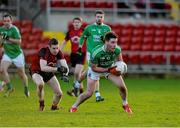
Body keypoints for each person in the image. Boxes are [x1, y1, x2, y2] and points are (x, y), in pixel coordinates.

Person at [69, 32, 132, 114]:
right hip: (96, 70)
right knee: (89, 93)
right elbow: (94, 68)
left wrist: (120, 69)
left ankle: (125, 104)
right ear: (106, 42)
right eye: (112, 42)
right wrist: (108, 69)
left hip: (110, 68)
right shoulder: (96, 53)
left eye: (116, 42)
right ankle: (74, 107)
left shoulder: (117, 49)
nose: (114, 45)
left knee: (122, 87)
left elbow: (120, 62)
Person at [78, 10, 111, 102]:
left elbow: (109, 41)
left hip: (101, 53)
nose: (99, 18)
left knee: (91, 71)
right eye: (98, 17)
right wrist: (80, 46)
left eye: (101, 17)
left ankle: (77, 83)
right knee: (95, 71)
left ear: (103, 18)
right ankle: (97, 94)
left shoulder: (107, 28)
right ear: (95, 17)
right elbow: (82, 37)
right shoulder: (89, 28)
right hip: (91, 53)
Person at [29, 38, 69, 111]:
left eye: (57, 48)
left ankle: (54, 107)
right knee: (40, 84)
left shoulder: (59, 53)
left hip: (48, 72)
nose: (56, 50)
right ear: (49, 47)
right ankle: (41, 103)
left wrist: (65, 74)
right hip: (36, 70)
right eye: (53, 48)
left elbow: (65, 65)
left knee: (59, 94)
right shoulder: (43, 51)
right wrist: (58, 69)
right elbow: (43, 68)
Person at [0, 13, 30, 97]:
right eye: (5, 21)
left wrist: (7, 38)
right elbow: (1, 42)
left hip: (17, 54)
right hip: (7, 54)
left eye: (8, 21)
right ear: (3, 21)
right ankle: (10, 87)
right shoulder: (1, 30)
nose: (6, 22)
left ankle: (26, 88)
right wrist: (1, 46)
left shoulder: (14, 29)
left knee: (22, 74)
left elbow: (19, 41)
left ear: (11, 21)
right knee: (2, 70)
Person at [60, 17, 86, 97]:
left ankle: (74, 90)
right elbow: (64, 42)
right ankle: (81, 90)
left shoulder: (84, 31)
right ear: (73, 23)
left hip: (82, 54)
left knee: (77, 73)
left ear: (81, 24)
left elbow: (89, 40)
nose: (77, 23)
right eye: (75, 22)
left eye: (78, 22)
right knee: (78, 74)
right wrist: (59, 51)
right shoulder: (70, 32)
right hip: (73, 55)